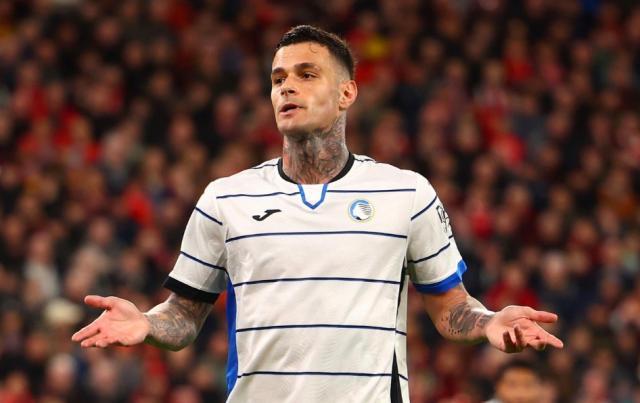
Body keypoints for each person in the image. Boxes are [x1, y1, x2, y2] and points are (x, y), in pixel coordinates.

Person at [71, 25, 563, 402]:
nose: (288, 87)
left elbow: (449, 307)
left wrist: (489, 322)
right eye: (278, 79)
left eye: (307, 75)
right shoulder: (226, 199)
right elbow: (183, 315)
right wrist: (147, 324)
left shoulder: (406, 193)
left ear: (347, 93)